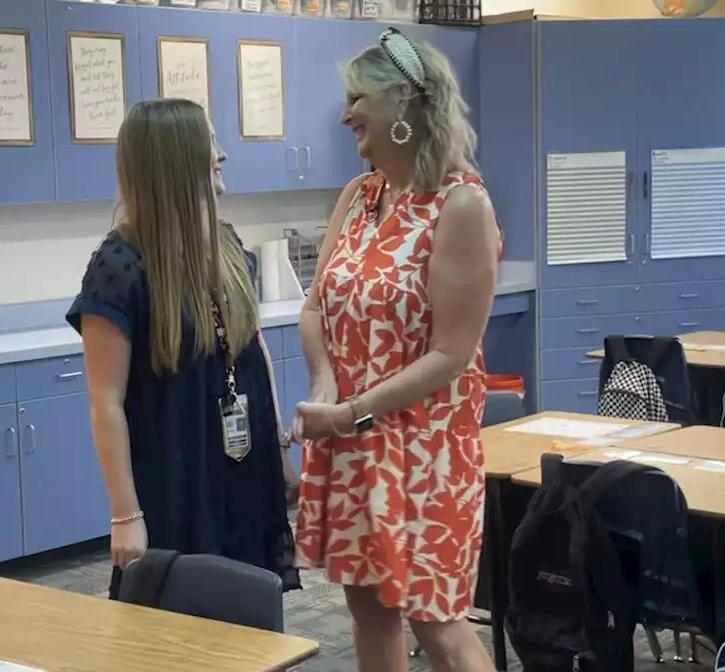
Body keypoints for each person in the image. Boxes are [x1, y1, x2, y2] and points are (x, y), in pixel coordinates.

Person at [292, 28, 500, 672]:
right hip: (352, 437)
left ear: (405, 101)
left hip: (426, 450)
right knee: (370, 610)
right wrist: (327, 386)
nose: (346, 113)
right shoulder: (360, 197)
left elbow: (452, 355)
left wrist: (353, 408)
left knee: (437, 623)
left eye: (359, 98)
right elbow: (314, 307)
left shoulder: (461, 204)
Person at [67, 98, 300, 598]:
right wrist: (125, 514)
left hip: (242, 470)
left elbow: (252, 350)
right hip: (175, 479)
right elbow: (104, 403)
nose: (223, 155)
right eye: (210, 143)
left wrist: (280, 450)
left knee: (251, 624)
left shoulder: (228, 247)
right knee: (178, 629)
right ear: (175, 160)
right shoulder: (120, 265)